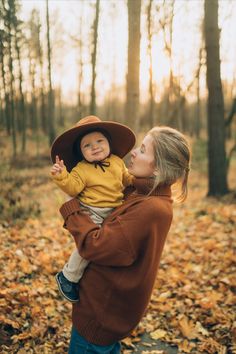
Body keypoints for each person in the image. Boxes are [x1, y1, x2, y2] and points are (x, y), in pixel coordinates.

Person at [59, 125, 190, 354]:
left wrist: (72, 206)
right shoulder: (144, 195)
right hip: (108, 312)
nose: (133, 153)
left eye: (142, 150)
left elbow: (94, 245)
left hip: (100, 315)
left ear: (159, 167)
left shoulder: (150, 209)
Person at [50, 115, 136, 303]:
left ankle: (108, 274)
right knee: (90, 245)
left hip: (115, 209)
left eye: (99, 141)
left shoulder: (116, 161)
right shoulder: (81, 169)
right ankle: (68, 276)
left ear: (109, 143)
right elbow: (72, 187)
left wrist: (137, 180)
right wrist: (62, 175)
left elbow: (126, 179)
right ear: (81, 153)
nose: (94, 146)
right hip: (93, 210)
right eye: (87, 145)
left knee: (114, 239)